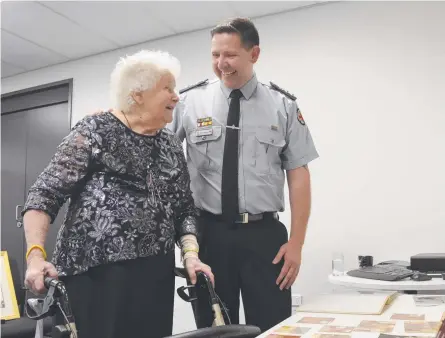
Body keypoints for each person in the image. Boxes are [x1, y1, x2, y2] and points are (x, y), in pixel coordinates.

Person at [22, 50, 213, 338]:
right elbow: (43, 195)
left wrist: (191, 256)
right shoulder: (95, 130)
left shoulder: (171, 144)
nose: (176, 97)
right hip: (96, 274)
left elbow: (184, 209)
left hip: (154, 274)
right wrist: (35, 257)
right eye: (167, 88)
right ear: (137, 94)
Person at [168, 18, 319, 332]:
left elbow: (299, 174)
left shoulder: (283, 106)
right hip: (209, 234)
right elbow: (159, 156)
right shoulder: (188, 102)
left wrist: (297, 244)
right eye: (215, 55)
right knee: (213, 327)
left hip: (264, 237)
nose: (221, 64)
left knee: (272, 325)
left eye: (230, 55)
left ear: (255, 54)